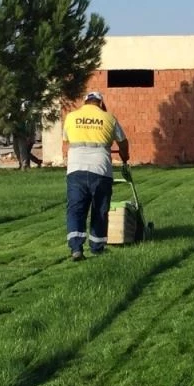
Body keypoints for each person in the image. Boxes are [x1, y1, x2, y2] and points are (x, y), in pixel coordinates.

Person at [63, 91, 130, 261]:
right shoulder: (109, 118)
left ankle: (76, 249)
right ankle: (97, 247)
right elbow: (123, 142)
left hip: (76, 169)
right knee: (100, 209)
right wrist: (125, 157)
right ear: (100, 103)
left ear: (85, 102)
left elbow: (66, 139)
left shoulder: (71, 117)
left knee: (76, 209)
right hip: (101, 170)